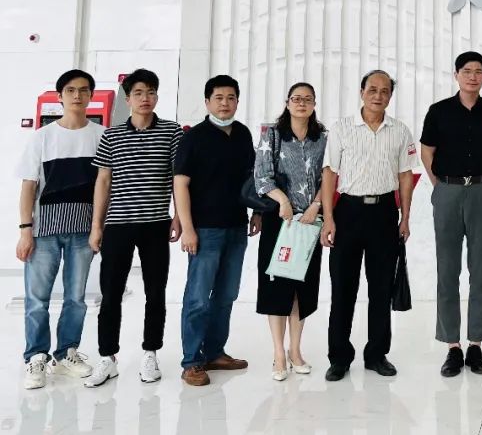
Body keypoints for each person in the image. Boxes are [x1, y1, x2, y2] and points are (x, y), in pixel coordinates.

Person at [84, 69, 184, 387]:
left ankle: (150, 352)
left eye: (151, 92)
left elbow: (178, 178)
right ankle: (107, 357)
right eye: (139, 93)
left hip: (156, 224)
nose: (145, 98)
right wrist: (97, 226)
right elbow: (103, 181)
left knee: (155, 292)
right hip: (117, 225)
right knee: (111, 293)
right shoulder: (111, 135)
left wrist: (178, 217)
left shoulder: (171, 132)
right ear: (127, 99)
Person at [421, 51, 482, 377]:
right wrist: (441, 185)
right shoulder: (439, 111)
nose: (473, 76)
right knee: (447, 269)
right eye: (467, 71)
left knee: (480, 269)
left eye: (478, 71)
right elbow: (427, 151)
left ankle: (475, 344)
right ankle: (452, 346)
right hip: (447, 191)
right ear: (456, 75)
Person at [322, 70, 416, 381]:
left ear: (390, 95)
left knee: (381, 289)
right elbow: (329, 174)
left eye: (385, 91)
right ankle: (339, 357)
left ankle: (377, 354)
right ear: (362, 92)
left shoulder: (400, 131)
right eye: (372, 89)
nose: (378, 95)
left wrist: (405, 217)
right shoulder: (342, 128)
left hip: (384, 215)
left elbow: (405, 176)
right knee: (343, 289)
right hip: (347, 213)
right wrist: (329, 218)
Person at [16, 69, 103, 389]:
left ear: (91, 95)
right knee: (36, 299)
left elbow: (105, 187)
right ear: (60, 96)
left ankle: (67, 353)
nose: (77, 95)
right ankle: (36, 356)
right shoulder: (42, 137)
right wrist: (25, 230)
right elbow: (28, 186)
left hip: (83, 230)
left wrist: (99, 228)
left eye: (83, 90)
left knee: (76, 298)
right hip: (44, 231)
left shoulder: (102, 136)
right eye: (70, 90)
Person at [175, 75, 261, 386]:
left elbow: (253, 178)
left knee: (226, 295)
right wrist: (188, 228)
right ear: (207, 102)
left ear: (237, 101)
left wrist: (257, 213)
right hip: (204, 230)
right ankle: (191, 361)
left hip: (236, 227)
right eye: (219, 97)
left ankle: (214, 352)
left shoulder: (242, 134)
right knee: (198, 298)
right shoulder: (193, 138)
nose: (225, 103)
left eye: (231, 97)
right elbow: (180, 184)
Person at [255, 83, 327, 381]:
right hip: (279, 221)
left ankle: (295, 350)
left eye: (307, 99)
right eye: (296, 99)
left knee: (301, 289)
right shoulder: (272, 134)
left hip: (310, 222)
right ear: (287, 103)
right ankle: (278, 353)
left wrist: (317, 205)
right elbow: (261, 176)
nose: (301, 103)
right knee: (276, 289)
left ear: (314, 104)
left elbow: (330, 176)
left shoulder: (323, 137)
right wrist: (283, 201)